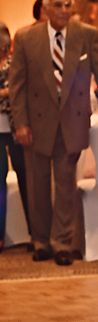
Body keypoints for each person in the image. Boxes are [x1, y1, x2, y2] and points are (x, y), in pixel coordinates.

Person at [9, 0, 98, 266]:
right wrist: (21, 123)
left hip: (71, 120)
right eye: (58, 5)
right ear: (46, 9)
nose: (64, 10)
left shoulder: (86, 35)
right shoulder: (26, 38)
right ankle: (40, 241)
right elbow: (17, 86)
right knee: (37, 185)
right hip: (36, 122)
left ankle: (61, 242)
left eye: (67, 6)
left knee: (65, 184)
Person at [0, 23, 30, 252]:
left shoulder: (15, 65)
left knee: (26, 178)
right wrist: (9, 92)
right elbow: (14, 91)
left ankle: (34, 232)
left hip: (16, 127)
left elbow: (23, 90)